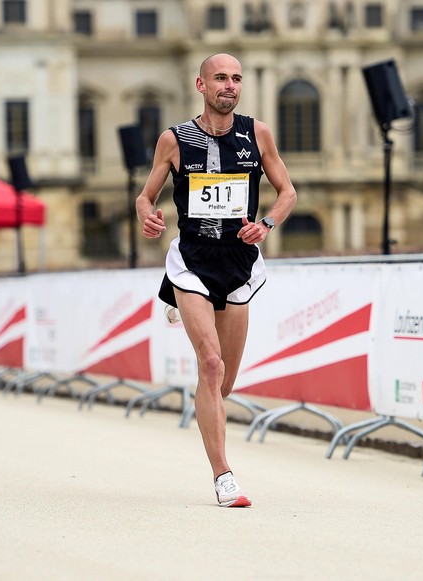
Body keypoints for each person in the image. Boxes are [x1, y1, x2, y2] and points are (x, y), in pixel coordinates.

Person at [136, 53, 297, 507]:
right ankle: (224, 476)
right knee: (210, 365)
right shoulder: (175, 139)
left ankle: (207, 405)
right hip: (192, 259)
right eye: (221, 78)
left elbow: (288, 191)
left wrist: (265, 224)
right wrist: (149, 216)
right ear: (201, 85)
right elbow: (145, 197)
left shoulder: (257, 133)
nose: (230, 85)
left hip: (240, 262)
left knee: (222, 383)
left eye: (237, 78)